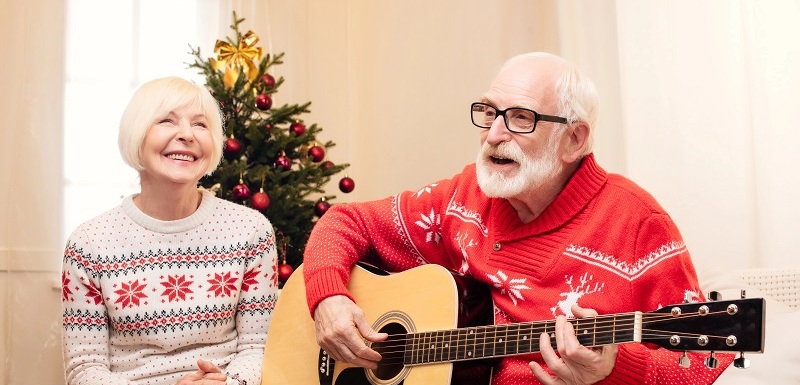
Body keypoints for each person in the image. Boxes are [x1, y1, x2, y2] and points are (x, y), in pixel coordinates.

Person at [302, 52, 734, 384]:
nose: (492, 135)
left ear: (573, 139)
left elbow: (701, 364)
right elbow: (345, 222)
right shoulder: (463, 196)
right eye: (489, 113)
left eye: (520, 118)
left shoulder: (637, 223)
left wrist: (613, 370)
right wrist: (328, 298)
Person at [61, 77, 278, 385]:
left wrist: (231, 384)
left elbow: (259, 348)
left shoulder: (251, 232)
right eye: (167, 121)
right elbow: (85, 368)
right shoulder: (89, 244)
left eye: (200, 125)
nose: (187, 135)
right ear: (136, 136)